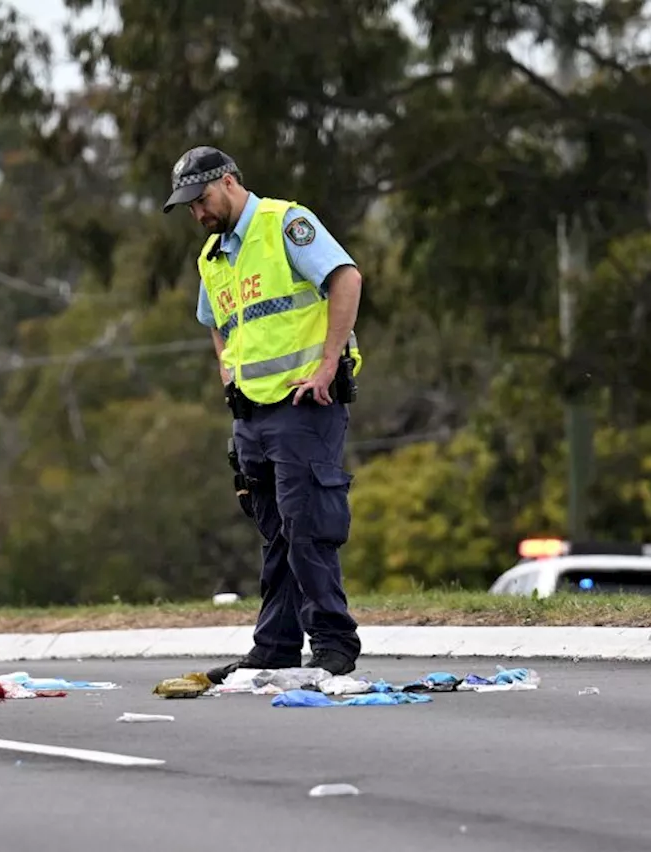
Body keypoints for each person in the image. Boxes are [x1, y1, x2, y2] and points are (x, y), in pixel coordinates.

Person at [164, 145, 364, 681]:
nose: (198, 214)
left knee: (308, 526)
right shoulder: (213, 257)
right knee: (274, 532)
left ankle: (333, 643)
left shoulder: (285, 224)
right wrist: (227, 375)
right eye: (188, 207)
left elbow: (346, 278)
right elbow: (217, 320)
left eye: (201, 199)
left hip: (305, 404)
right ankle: (275, 644)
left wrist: (327, 365)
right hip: (252, 414)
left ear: (228, 182)